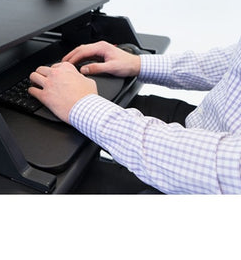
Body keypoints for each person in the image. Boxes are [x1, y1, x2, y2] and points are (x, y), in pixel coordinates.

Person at [28, 40, 241, 194]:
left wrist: (84, 107)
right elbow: (233, 59)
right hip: (205, 122)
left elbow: (229, 170)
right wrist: (137, 63)